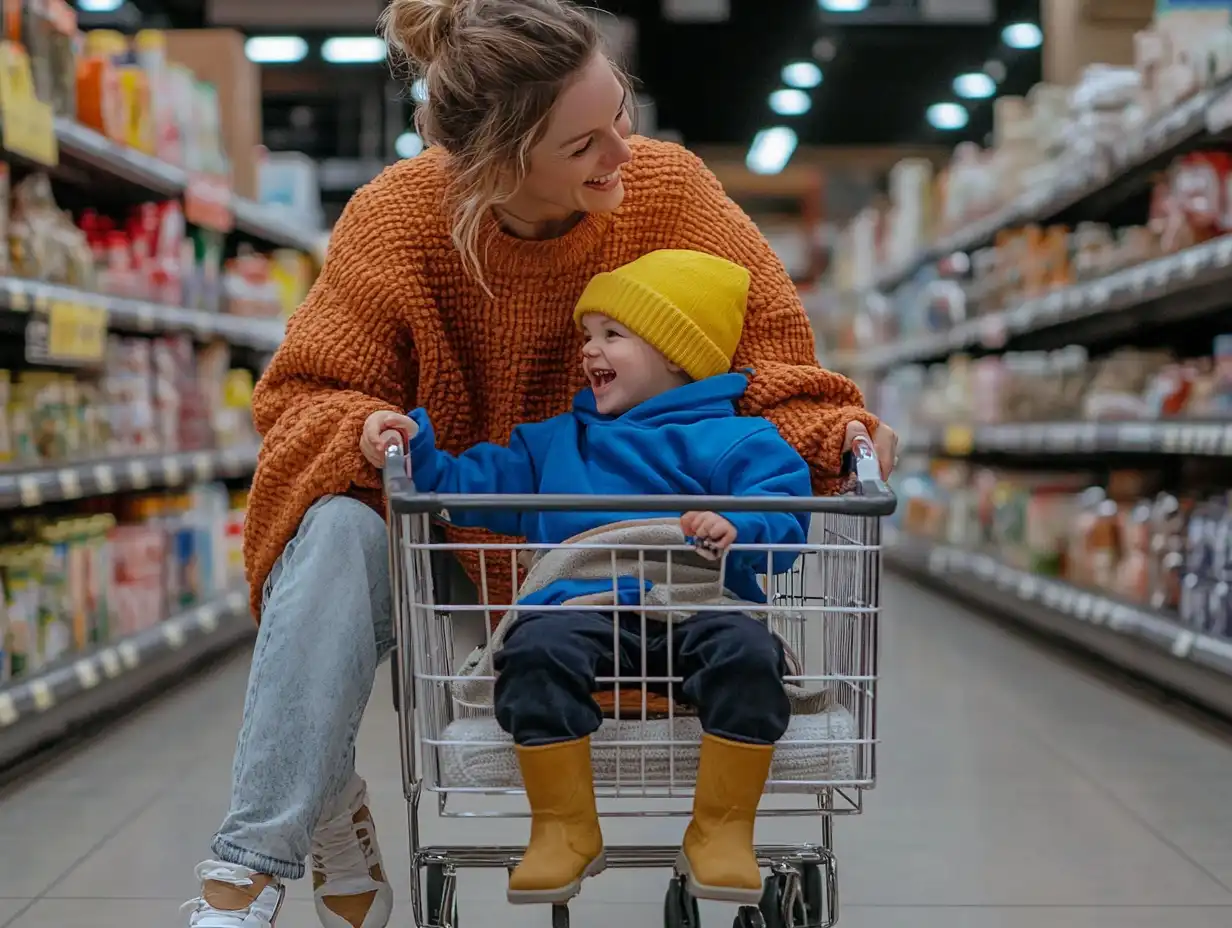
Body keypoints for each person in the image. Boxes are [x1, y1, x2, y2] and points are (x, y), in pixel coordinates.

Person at [181, 0, 899, 925]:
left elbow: (775, 365)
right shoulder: (397, 224)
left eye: (621, 115)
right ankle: (250, 865)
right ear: (496, 163)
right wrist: (367, 427)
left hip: (662, 560)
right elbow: (306, 396)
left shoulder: (670, 193)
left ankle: (325, 798)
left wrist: (837, 432)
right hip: (454, 552)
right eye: (585, 144)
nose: (622, 153)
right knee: (333, 522)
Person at [405, 247, 815, 906]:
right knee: (533, 652)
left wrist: (742, 527)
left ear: (677, 353)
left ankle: (721, 828)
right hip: (581, 600)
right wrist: (416, 451)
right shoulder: (556, 443)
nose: (589, 350)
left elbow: (785, 508)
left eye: (612, 335)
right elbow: (469, 484)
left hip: (696, 600)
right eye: (587, 335)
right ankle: (564, 828)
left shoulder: (737, 441)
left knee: (749, 654)